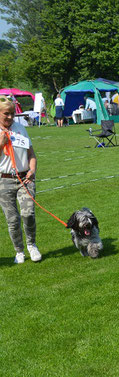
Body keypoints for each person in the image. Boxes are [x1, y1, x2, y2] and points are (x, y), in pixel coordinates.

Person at [0, 96, 41, 264]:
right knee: (12, 219)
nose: (10, 117)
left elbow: (31, 154)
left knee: (28, 213)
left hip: (25, 178)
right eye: (6, 114)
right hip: (4, 180)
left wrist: (32, 169)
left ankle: (32, 245)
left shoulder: (20, 129)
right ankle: (19, 251)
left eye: (12, 114)